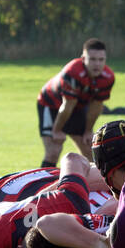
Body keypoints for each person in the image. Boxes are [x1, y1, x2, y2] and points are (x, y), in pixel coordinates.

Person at [37, 39, 116, 167]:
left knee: (89, 150)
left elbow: (96, 107)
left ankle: (90, 186)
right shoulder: (72, 72)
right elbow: (67, 106)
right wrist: (57, 130)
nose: (97, 64)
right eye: (92, 59)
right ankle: (41, 184)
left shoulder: (108, 77)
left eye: (101, 60)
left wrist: (88, 131)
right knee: (53, 151)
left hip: (75, 108)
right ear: (83, 58)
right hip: (50, 104)